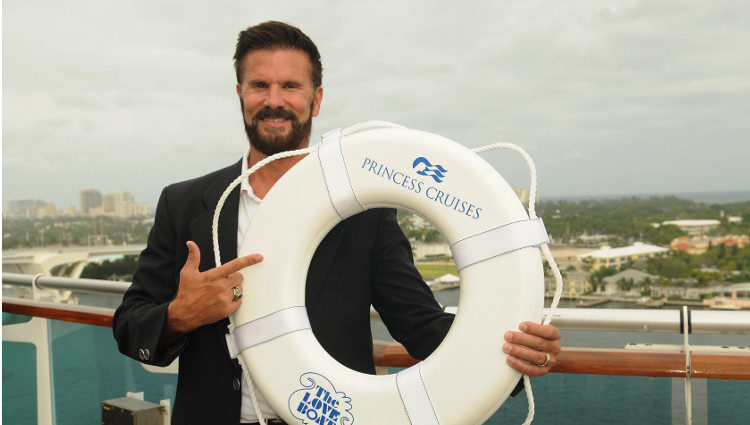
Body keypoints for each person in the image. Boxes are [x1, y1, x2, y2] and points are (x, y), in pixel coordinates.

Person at [113, 21, 562, 425]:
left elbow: (419, 323)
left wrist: (509, 355)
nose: (274, 101)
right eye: (259, 85)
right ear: (240, 94)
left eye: (290, 85)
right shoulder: (186, 203)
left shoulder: (365, 214)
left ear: (317, 98)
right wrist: (178, 316)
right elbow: (130, 325)